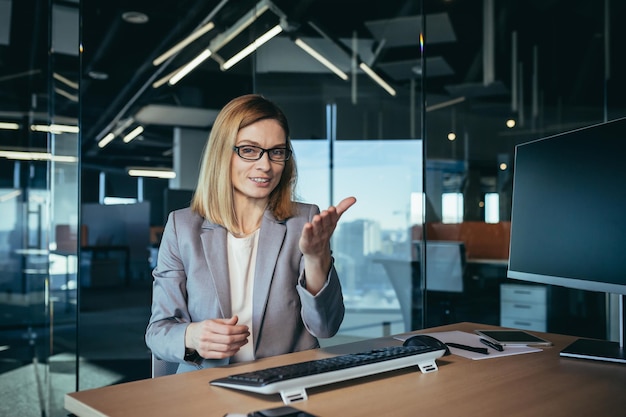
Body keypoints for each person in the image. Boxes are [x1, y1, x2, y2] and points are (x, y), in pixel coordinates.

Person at [145, 94, 356, 373]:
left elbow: (326, 327)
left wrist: (317, 258)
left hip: (286, 385)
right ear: (223, 153)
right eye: (249, 150)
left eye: (276, 152)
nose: (265, 165)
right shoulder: (182, 228)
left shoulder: (303, 221)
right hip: (205, 389)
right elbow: (158, 332)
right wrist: (192, 336)